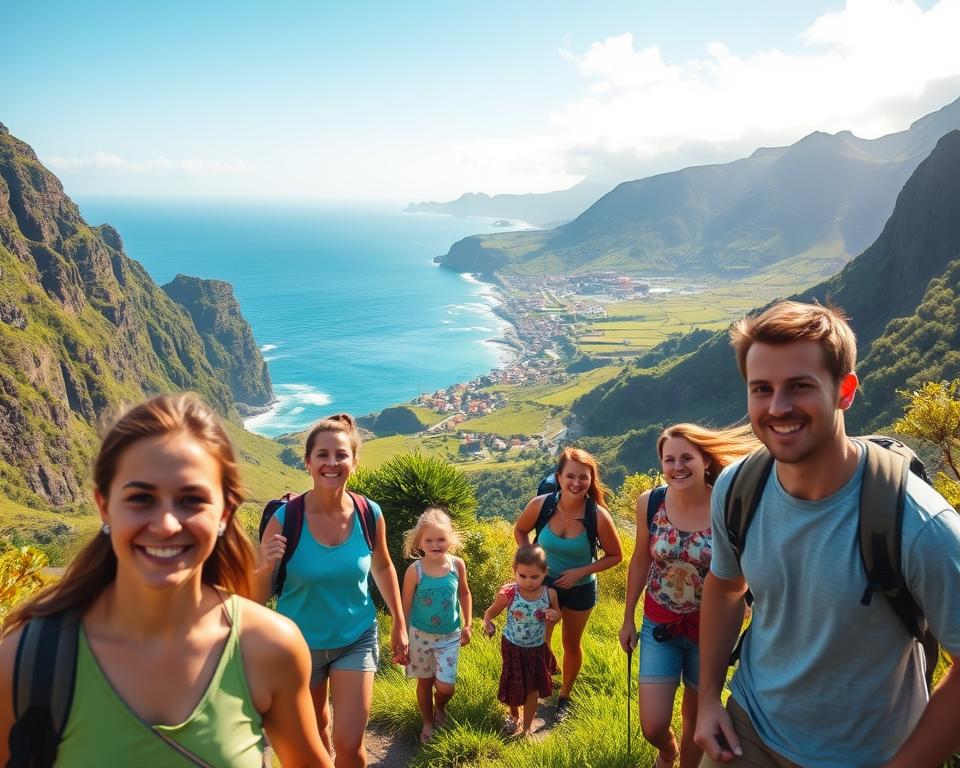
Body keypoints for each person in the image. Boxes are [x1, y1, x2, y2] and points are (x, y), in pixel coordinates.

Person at [0, 393, 332, 767]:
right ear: (104, 505)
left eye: (191, 500)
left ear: (225, 512)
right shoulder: (25, 660)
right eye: (141, 498)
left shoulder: (270, 648)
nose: (166, 525)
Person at [694, 301, 960, 768]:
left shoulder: (918, 524)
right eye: (762, 389)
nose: (778, 408)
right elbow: (725, 583)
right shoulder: (737, 489)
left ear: (845, 391)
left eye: (799, 386)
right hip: (747, 731)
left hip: (865, 755)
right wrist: (709, 698)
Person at [256, 414, 408, 768]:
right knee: (316, 734)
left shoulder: (369, 513)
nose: (332, 463)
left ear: (354, 462)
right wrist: (264, 566)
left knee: (350, 745)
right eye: (322, 455)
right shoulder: (284, 520)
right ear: (308, 462)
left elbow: (383, 565)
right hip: (298, 647)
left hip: (356, 638)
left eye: (341, 455)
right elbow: (256, 600)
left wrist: (399, 622)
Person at [618, 423, 757, 768]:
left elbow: (749, 565)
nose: (677, 467)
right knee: (652, 724)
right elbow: (641, 558)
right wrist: (627, 618)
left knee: (696, 720)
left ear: (706, 461)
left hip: (712, 630)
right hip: (659, 624)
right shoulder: (650, 503)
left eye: (686, 458)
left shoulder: (726, 506)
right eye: (669, 459)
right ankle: (667, 750)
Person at [514, 447, 623, 719]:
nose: (577, 483)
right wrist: (530, 561)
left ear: (591, 479)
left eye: (583, 477)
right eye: (570, 476)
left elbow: (615, 556)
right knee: (541, 641)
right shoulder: (541, 505)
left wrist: (579, 572)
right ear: (558, 477)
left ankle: (564, 697)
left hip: (581, 588)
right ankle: (539, 688)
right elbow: (520, 529)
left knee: (571, 644)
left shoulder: (597, 516)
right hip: (543, 587)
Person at [400, 507, 473, 744]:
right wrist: (403, 637)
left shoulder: (457, 565)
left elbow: (464, 593)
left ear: (450, 539)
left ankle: (440, 706)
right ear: (419, 542)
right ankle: (428, 721)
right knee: (425, 682)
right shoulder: (415, 571)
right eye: (429, 540)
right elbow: (406, 606)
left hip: (450, 635)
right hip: (420, 635)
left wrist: (468, 624)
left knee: (446, 686)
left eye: (441, 539)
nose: (435, 544)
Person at [482, 544, 561, 737]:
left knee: (532, 688)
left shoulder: (549, 594)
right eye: (522, 576)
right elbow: (492, 611)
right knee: (513, 682)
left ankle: (526, 729)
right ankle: (514, 715)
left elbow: (558, 614)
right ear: (515, 572)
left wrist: (554, 614)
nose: (528, 581)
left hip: (536, 648)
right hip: (512, 646)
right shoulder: (510, 593)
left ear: (544, 573)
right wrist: (487, 621)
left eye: (534, 577)